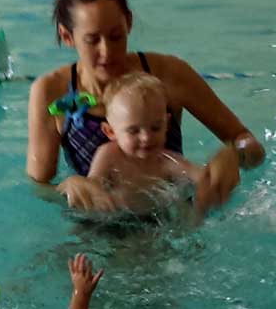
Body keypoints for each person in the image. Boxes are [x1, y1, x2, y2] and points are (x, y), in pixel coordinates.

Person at [26, 0, 265, 209]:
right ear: (67, 37)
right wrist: (67, 187)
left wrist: (234, 156)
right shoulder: (50, 92)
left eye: (116, 36)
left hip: (171, 221)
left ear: (128, 23)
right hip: (99, 224)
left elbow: (247, 143)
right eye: (92, 40)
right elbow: (37, 187)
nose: (106, 51)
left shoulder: (168, 74)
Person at [58, 72, 239, 216]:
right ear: (110, 132)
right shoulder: (108, 155)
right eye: (133, 131)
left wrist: (217, 176)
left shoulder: (167, 161)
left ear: (167, 124)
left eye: (155, 128)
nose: (146, 137)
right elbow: (93, 184)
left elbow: (201, 177)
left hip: (156, 221)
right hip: (113, 220)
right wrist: (82, 188)